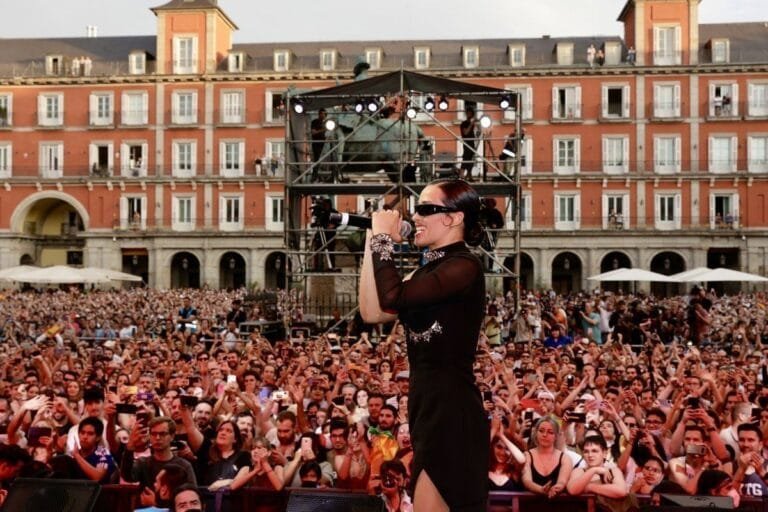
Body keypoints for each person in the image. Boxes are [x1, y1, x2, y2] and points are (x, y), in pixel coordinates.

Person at [360, 178, 488, 511]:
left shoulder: (465, 266)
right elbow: (373, 310)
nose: (415, 217)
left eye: (426, 209)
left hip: (452, 410)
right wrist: (372, 239)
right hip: (424, 407)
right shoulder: (426, 273)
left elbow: (393, 296)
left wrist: (386, 240)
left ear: (454, 218)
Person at [459, 108, 478, 181]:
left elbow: (476, 133)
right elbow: (465, 133)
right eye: (468, 113)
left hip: (472, 143)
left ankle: (469, 175)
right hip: (467, 143)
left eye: (471, 113)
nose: (469, 114)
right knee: (466, 158)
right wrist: (471, 124)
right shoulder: (464, 123)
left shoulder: (472, 124)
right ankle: (461, 174)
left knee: (471, 159)